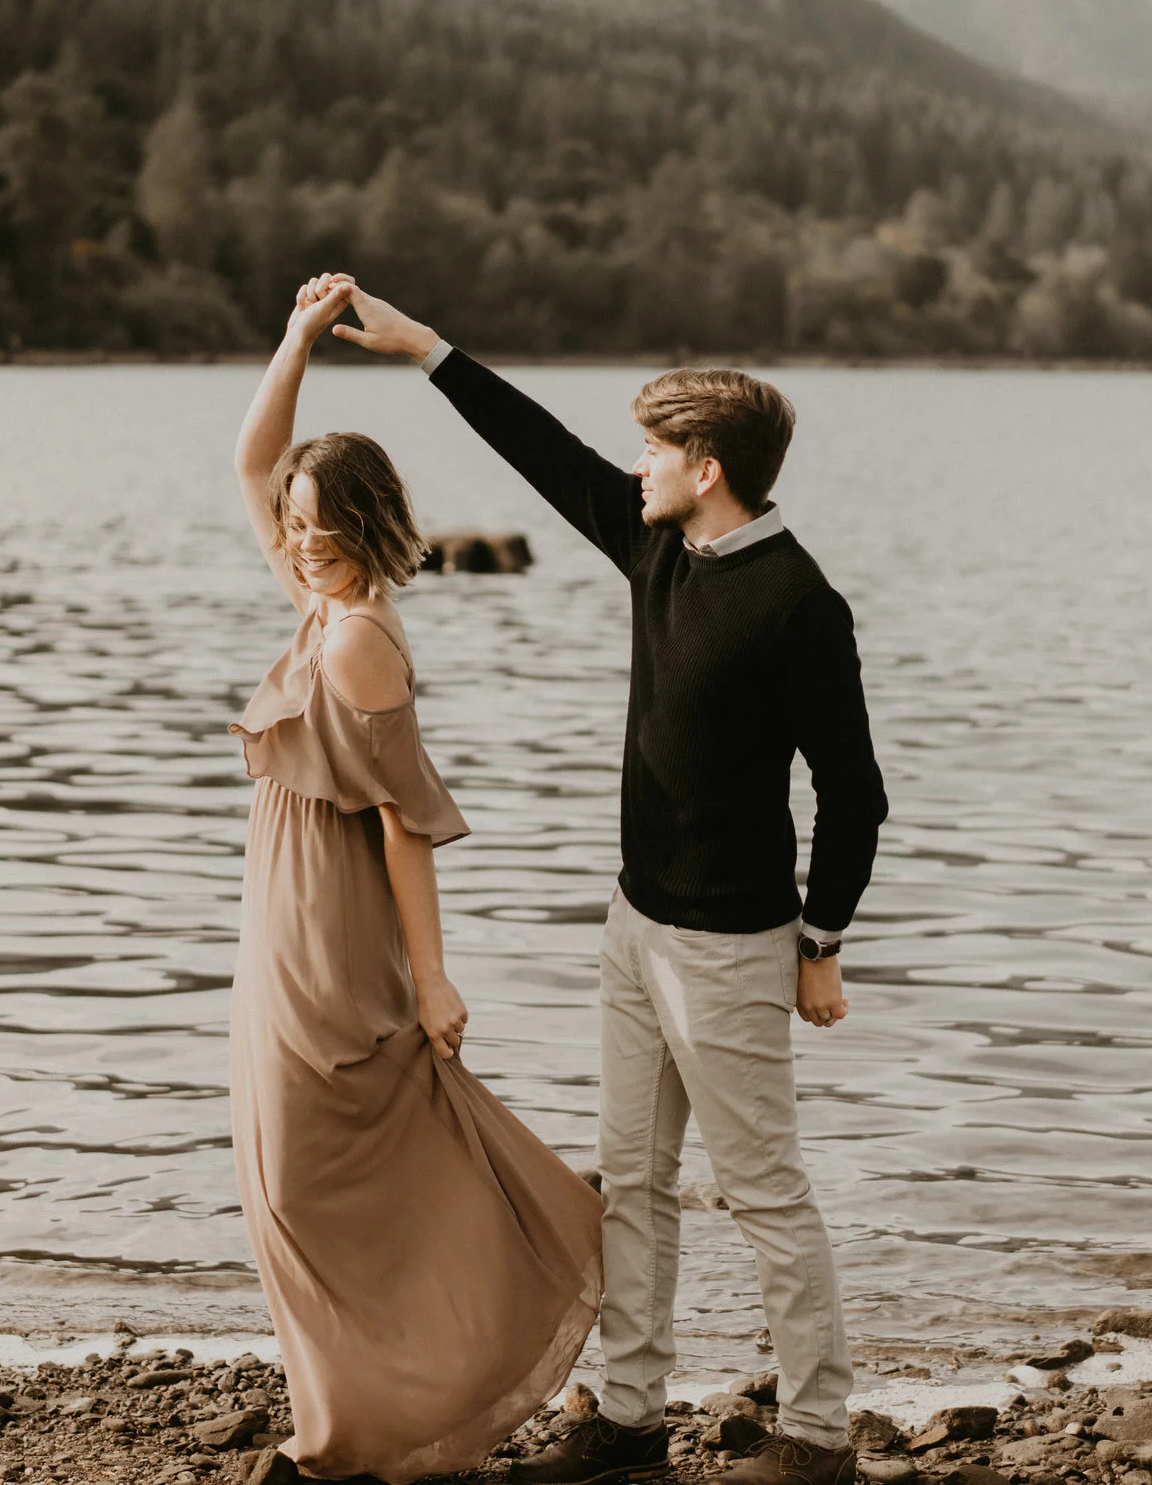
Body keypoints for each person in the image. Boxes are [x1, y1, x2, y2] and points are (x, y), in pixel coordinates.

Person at [333, 286, 890, 1485]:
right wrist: (427, 348)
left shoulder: (799, 605)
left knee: (762, 1189)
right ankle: (629, 1420)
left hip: (734, 944)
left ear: (708, 465)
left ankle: (819, 1436)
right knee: (631, 1178)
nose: (632, 465)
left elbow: (855, 792)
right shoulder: (656, 547)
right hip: (635, 922)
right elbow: (540, 449)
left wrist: (823, 940)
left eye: (652, 448)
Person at [227, 273, 603, 1485]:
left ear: (365, 522)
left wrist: (432, 977)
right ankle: (353, 1414)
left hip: (332, 934)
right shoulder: (313, 600)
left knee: (309, 1171)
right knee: (280, 1180)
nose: (292, 532)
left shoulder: (361, 636)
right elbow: (248, 466)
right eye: (291, 517)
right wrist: (292, 343)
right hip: (276, 924)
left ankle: (357, 1426)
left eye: (315, 519)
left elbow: (402, 822)